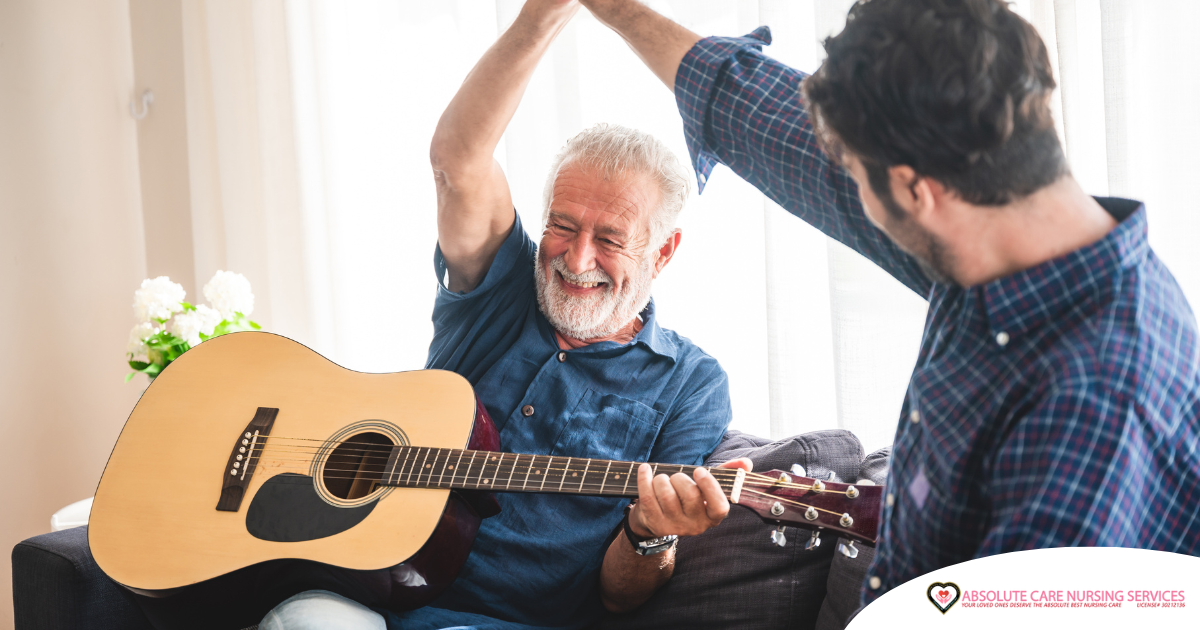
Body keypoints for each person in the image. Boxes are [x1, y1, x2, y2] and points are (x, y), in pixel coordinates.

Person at [581, 0, 1200, 611]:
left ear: (914, 189)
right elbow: (759, 115)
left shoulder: (1094, 402)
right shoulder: (995, 213)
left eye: (854, 171)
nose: (846, 187)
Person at [260, 2, 750, 629]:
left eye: (610, 239)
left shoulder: (691, 382)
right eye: (562, 226)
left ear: (663, 250)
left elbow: (621, 598)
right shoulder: (503, 285)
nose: (576, 259)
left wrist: (652, 533)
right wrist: (541, 17)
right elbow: (457, 163)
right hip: (356, 591)